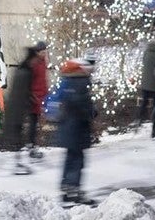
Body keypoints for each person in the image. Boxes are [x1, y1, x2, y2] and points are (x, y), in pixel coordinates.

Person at [55, 58, 96, 206]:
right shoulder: (81, 83)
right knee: (77, 160)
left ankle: (66, 188)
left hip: (66, 127)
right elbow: (83, 106)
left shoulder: (66, 81)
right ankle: (74, 191)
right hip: (77, 128)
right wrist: (92, 112)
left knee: (70, 157)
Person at [3, 41, 46, 175]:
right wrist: (32, 98)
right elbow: (23, 90)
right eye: (41, 52)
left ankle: (20, 161)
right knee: (17, 131)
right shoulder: (26, 70)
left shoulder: (26, 67)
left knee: (18, 130)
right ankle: (18, 164)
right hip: (19, 105)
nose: (44, 54)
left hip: (20, 104)